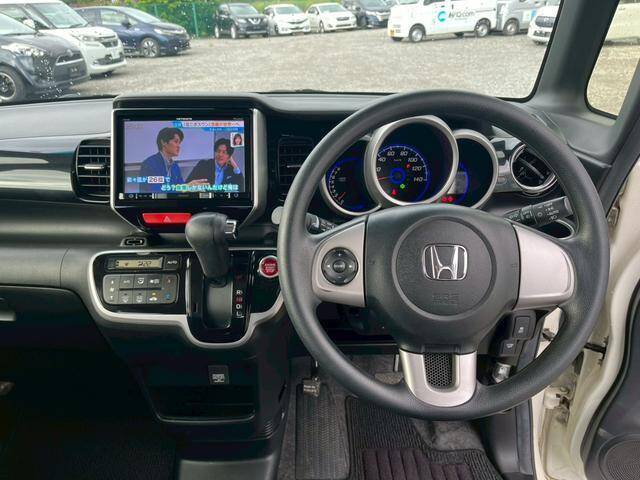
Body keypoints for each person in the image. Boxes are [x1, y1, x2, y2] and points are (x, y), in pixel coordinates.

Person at [139, 128, 186, 193]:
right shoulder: (149, 164)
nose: (179, 146)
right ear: (163, 142)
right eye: (176, 142)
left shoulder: (175, 166)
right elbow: (156, 192)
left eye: (179, 143)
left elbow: (181, 188)